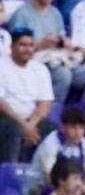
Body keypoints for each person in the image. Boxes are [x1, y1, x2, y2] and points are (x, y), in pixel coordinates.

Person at [0, 27, 55, 164]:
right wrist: (24, 124)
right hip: (7, 119)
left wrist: (31, 124)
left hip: (31, 120)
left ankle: (41, 175)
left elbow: (45, 103)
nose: (27, 49)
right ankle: (10, 175)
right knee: (12, 129)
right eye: (22, 45)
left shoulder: (40, 69)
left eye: (31, 45)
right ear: (12, 46)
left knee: (51, 128)